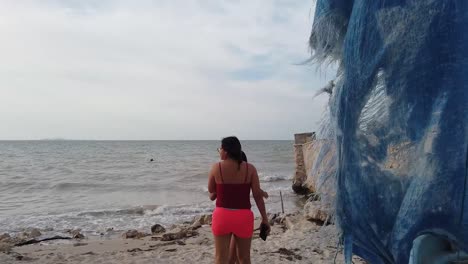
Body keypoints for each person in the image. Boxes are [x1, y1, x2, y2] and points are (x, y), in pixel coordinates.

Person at [208, 136, 270, 264]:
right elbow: (257, 195)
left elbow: (211, 191)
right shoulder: (250, 169)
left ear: (225, 151)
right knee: (245, 259)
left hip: (222, 216)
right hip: (243, 217)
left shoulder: (216, 167)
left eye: (220, 149)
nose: (219, 151)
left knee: (220, 258)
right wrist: (264, 218)